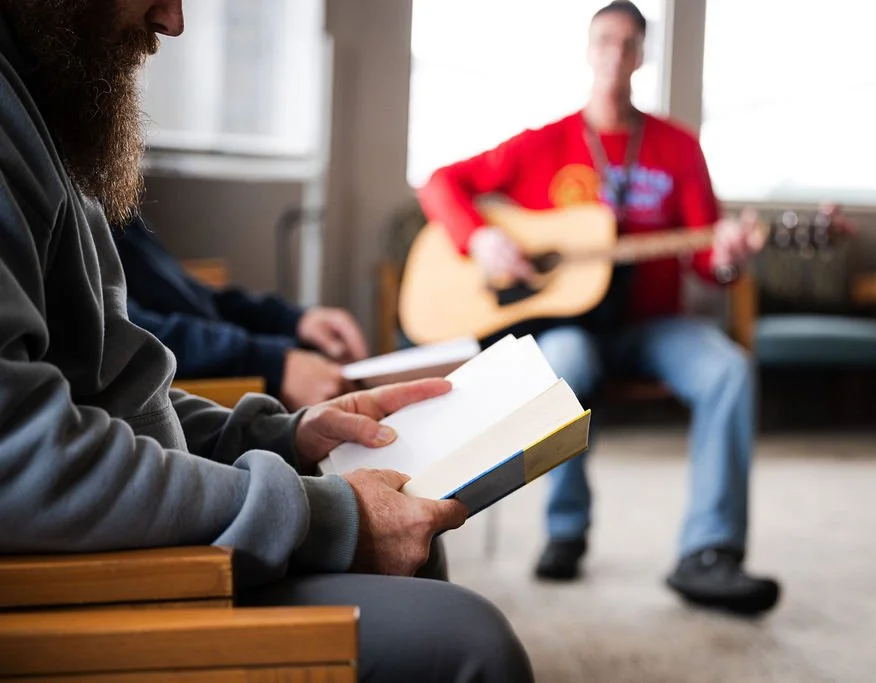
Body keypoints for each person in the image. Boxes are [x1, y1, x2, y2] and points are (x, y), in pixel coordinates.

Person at [0, 1, 533, 681]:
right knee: (473, 641)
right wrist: (327, 515)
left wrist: (274, 435)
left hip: (133, 537)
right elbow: (17, 451)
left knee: (411, 528)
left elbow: (105, 384)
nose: (173, 21)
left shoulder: (45, 117)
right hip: (90, 586)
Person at [419, 1, 792, 617]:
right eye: (605, 41)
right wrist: (480, 237)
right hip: (572, 327)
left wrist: (728, 257)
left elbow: (708, 264)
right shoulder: (544, 143)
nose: (615, 54)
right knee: (562, 361)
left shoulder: (677, 147)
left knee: (730, 369)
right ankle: (566, 529)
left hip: (654, 326)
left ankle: (711, 552)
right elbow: (439, 182)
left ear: (641, 56)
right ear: (589, 50)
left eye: (628, 44)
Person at [115, 214, 368, 410]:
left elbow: (202, 301)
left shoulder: (109, 199)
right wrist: (274, 365)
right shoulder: (81, 203)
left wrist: (298, 321)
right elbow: (124, 334)